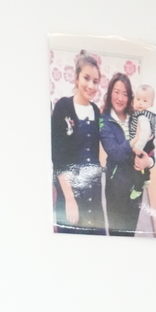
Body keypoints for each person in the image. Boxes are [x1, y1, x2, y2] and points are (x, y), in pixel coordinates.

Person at [52, 52, 105, 235]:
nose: (91, 86)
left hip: (93, 192)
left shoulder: (96, 111)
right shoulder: (63, 107)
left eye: (95, 81)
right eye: (86, 78)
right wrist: (69, 198)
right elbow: (58, 157)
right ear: (76, 78)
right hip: (70, 192)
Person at [99, 73, 151, 237]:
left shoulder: (137, 117)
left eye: (125, 94)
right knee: (117, 232)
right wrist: (134, 140)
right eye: (116, 92)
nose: (120, 98)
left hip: (136, 184)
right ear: (110, 93)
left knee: (131, 230)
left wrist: (148, 161)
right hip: (116, 186)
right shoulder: (104, 120)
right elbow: (115, 153)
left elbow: (151, 147)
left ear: (130, 97)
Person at [133, 84, 156, 237]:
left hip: (145, 151)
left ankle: (139, 186)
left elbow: (144, 134)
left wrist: (137, 146)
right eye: (138, 99)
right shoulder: (143, 115)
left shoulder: (144, 117)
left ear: (151, 103)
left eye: (144, 101)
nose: (140, 103)